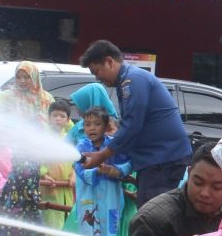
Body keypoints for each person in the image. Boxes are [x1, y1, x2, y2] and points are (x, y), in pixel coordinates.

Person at [79, 40, 192, 207]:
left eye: (97, 72)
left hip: (163, 158)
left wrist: (101, 155)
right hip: (157, 158)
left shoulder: (133, 80)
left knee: (152, 215)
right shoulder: (126, 80)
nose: (98, 78)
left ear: (109, 61)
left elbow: (132, 125)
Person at [0, 61, 55, 236]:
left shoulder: (46, 99)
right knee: (19, 218)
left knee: (34, 219)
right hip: (20, 171)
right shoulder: (8, 97)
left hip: (34, 166)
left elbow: (60, 126)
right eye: (20, 77)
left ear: (35, 78)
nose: (23, 81)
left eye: (27, 77)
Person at [75, 107, 131, 236]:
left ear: (106, 126)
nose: (92, 128)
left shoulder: (114, 146)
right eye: (87, 124)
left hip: (111, 201)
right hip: (88, 203)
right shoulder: (81, 147)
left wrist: (117, 170)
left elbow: (128, 163)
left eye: (97, 124)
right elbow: (81, 171)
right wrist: (97, 170)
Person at [39, 100, 75, 236]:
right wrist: (44, 174)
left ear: (68, 119)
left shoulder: (69, 137)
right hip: (49, 184)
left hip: (66, 184)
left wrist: (74, 174)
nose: (58, 119)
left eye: (62, 116)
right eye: (54, 115)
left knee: (64, 212)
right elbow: (37, 156)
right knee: (50, 214)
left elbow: (75, 160)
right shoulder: (41, 136)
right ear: (48, 117)